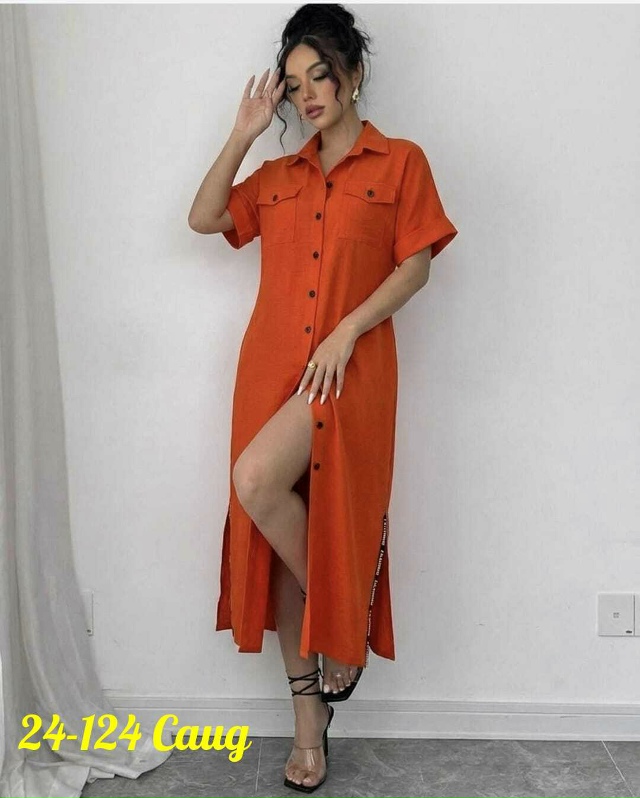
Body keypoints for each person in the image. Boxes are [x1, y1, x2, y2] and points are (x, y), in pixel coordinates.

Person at [188, 3, 458, 792]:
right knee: (275, 534)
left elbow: (417, 265)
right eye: (295, 84)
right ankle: (311, 726)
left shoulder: (401, 163)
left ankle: (342, 620)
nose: (307, 95)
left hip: (348, 374)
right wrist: (243, 132)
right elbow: (203, 218)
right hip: (270, 371)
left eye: (321, 77)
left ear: (353, 76)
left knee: (256, 480)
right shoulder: (278, 177)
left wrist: (348, 329)